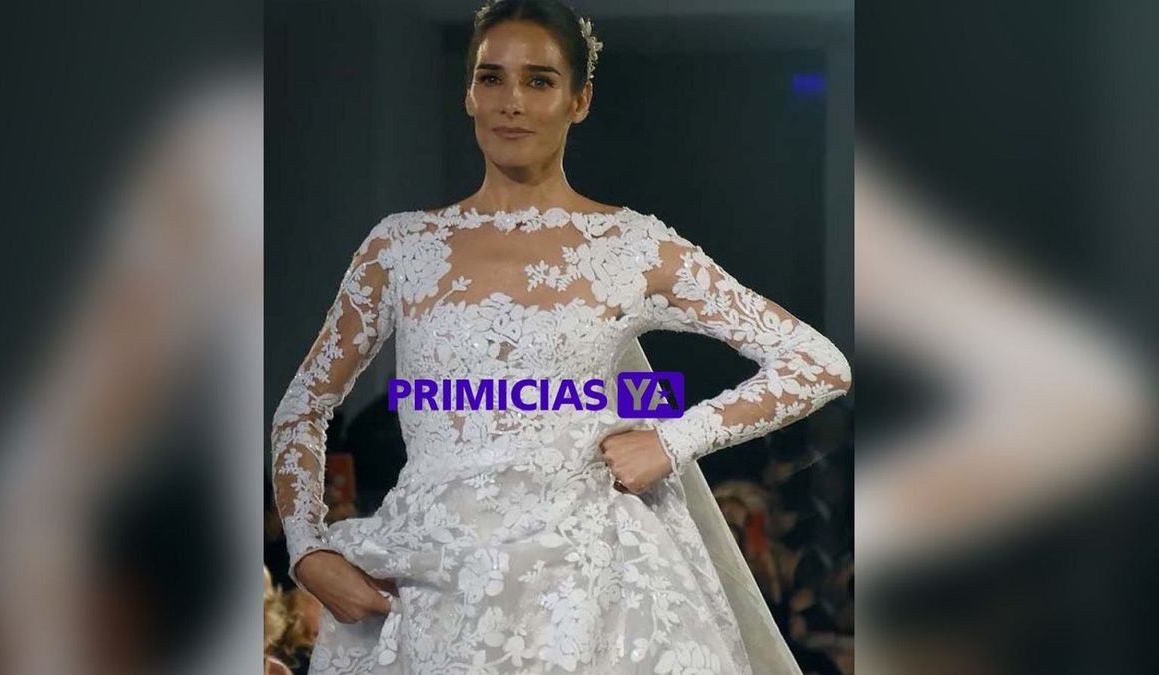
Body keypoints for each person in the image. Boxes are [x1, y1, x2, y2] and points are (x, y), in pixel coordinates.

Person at [269, 1, 852, 672]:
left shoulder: (632, 246)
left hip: (596, 583)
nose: (512, 101)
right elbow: (303, 408)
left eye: (539, 80)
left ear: (580, 100)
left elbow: (817, 362)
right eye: (492, 77)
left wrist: (672, 441)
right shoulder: (401, 247)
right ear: (469, 94)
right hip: (435, 585)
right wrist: (307, 549)